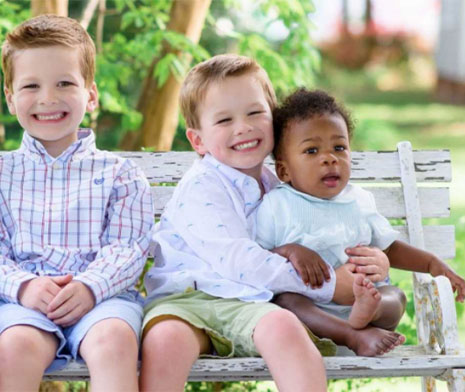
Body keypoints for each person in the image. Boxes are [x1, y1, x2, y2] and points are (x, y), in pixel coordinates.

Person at [139, 54, 353, 392]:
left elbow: (283, 239)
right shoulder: (202, 186)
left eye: (255, 113)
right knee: (165, 340)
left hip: (249, 304)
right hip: (185, 300)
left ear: (273, 119)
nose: (243, 127)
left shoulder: (276, 186)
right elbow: (239, 260)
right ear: (198, 140)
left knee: (284, 328)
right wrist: (329, 285)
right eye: (224, 120)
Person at [0, 14, 153, 392]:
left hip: (103, 298)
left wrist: (90, 287)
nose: (48, 98)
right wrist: (24, 288)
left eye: (64, 83)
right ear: (10, 98)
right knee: (14, 346)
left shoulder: (120, 174)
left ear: (91, 94)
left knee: (114, 342)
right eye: (31, 86)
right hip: (21, 301)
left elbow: (128, 249)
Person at [256, 88, 465, 355]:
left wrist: (431, 263)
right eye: (311, 151)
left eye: (339, 147)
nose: (329, 158)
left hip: (366, 309)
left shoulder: (359, 200)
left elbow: (389, 247)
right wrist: (290, 251)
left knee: (395, 296)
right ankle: (349, 333)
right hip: (311, 319)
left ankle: (371, 309)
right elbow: (256, 257)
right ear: (284, 170)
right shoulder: (277, 205)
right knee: (286, 301)